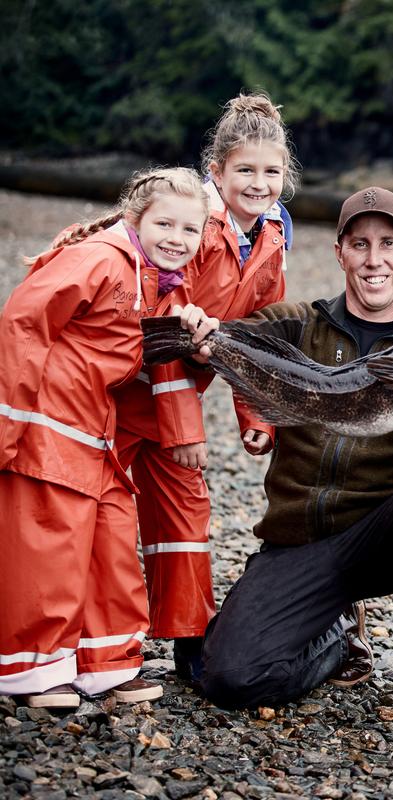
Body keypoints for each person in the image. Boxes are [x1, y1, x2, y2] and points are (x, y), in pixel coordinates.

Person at [193, 187, 393, 729]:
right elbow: (220, 316)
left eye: (388, 243)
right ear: (339, 252)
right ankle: (338, 638)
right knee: (229, 678)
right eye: (359, 244)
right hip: (297, 543)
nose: (373, 259)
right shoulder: (297, 324)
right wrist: (202, 332)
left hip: (383, 535)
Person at [0, 168, 218, 709]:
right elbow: (23, 323)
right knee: (53, 541)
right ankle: (30, 669)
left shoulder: (160, 281)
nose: (176, 238)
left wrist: (192, 329)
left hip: (98, 426)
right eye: (164, 223)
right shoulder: (99, 259)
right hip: (50, 420)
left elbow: (165, 344)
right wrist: (9, 424)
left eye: (189, 231)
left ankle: (106, 662)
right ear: (133, 219)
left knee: (112, 534)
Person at [111, 92, 297, 684]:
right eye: (245, 170)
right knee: (105, 516)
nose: (258, 182)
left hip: (179, 393)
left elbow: (252, 341)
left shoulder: (271, 239)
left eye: (271, 172)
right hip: (120, 389)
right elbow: (163, 325)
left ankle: (189, 640)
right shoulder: (191, 227)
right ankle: (102, 646)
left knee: (186, 515)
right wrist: (186, 427)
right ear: (216, 171)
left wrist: (258, 418)